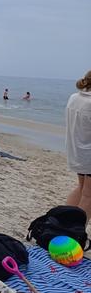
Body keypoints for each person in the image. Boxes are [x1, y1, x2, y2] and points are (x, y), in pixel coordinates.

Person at [64, 71, 91, 218]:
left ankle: (64, 223)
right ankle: (76, 231)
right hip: (88, 152)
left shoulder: (74, 97)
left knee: (81, 189)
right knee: (88, 195)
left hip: (78, 151)